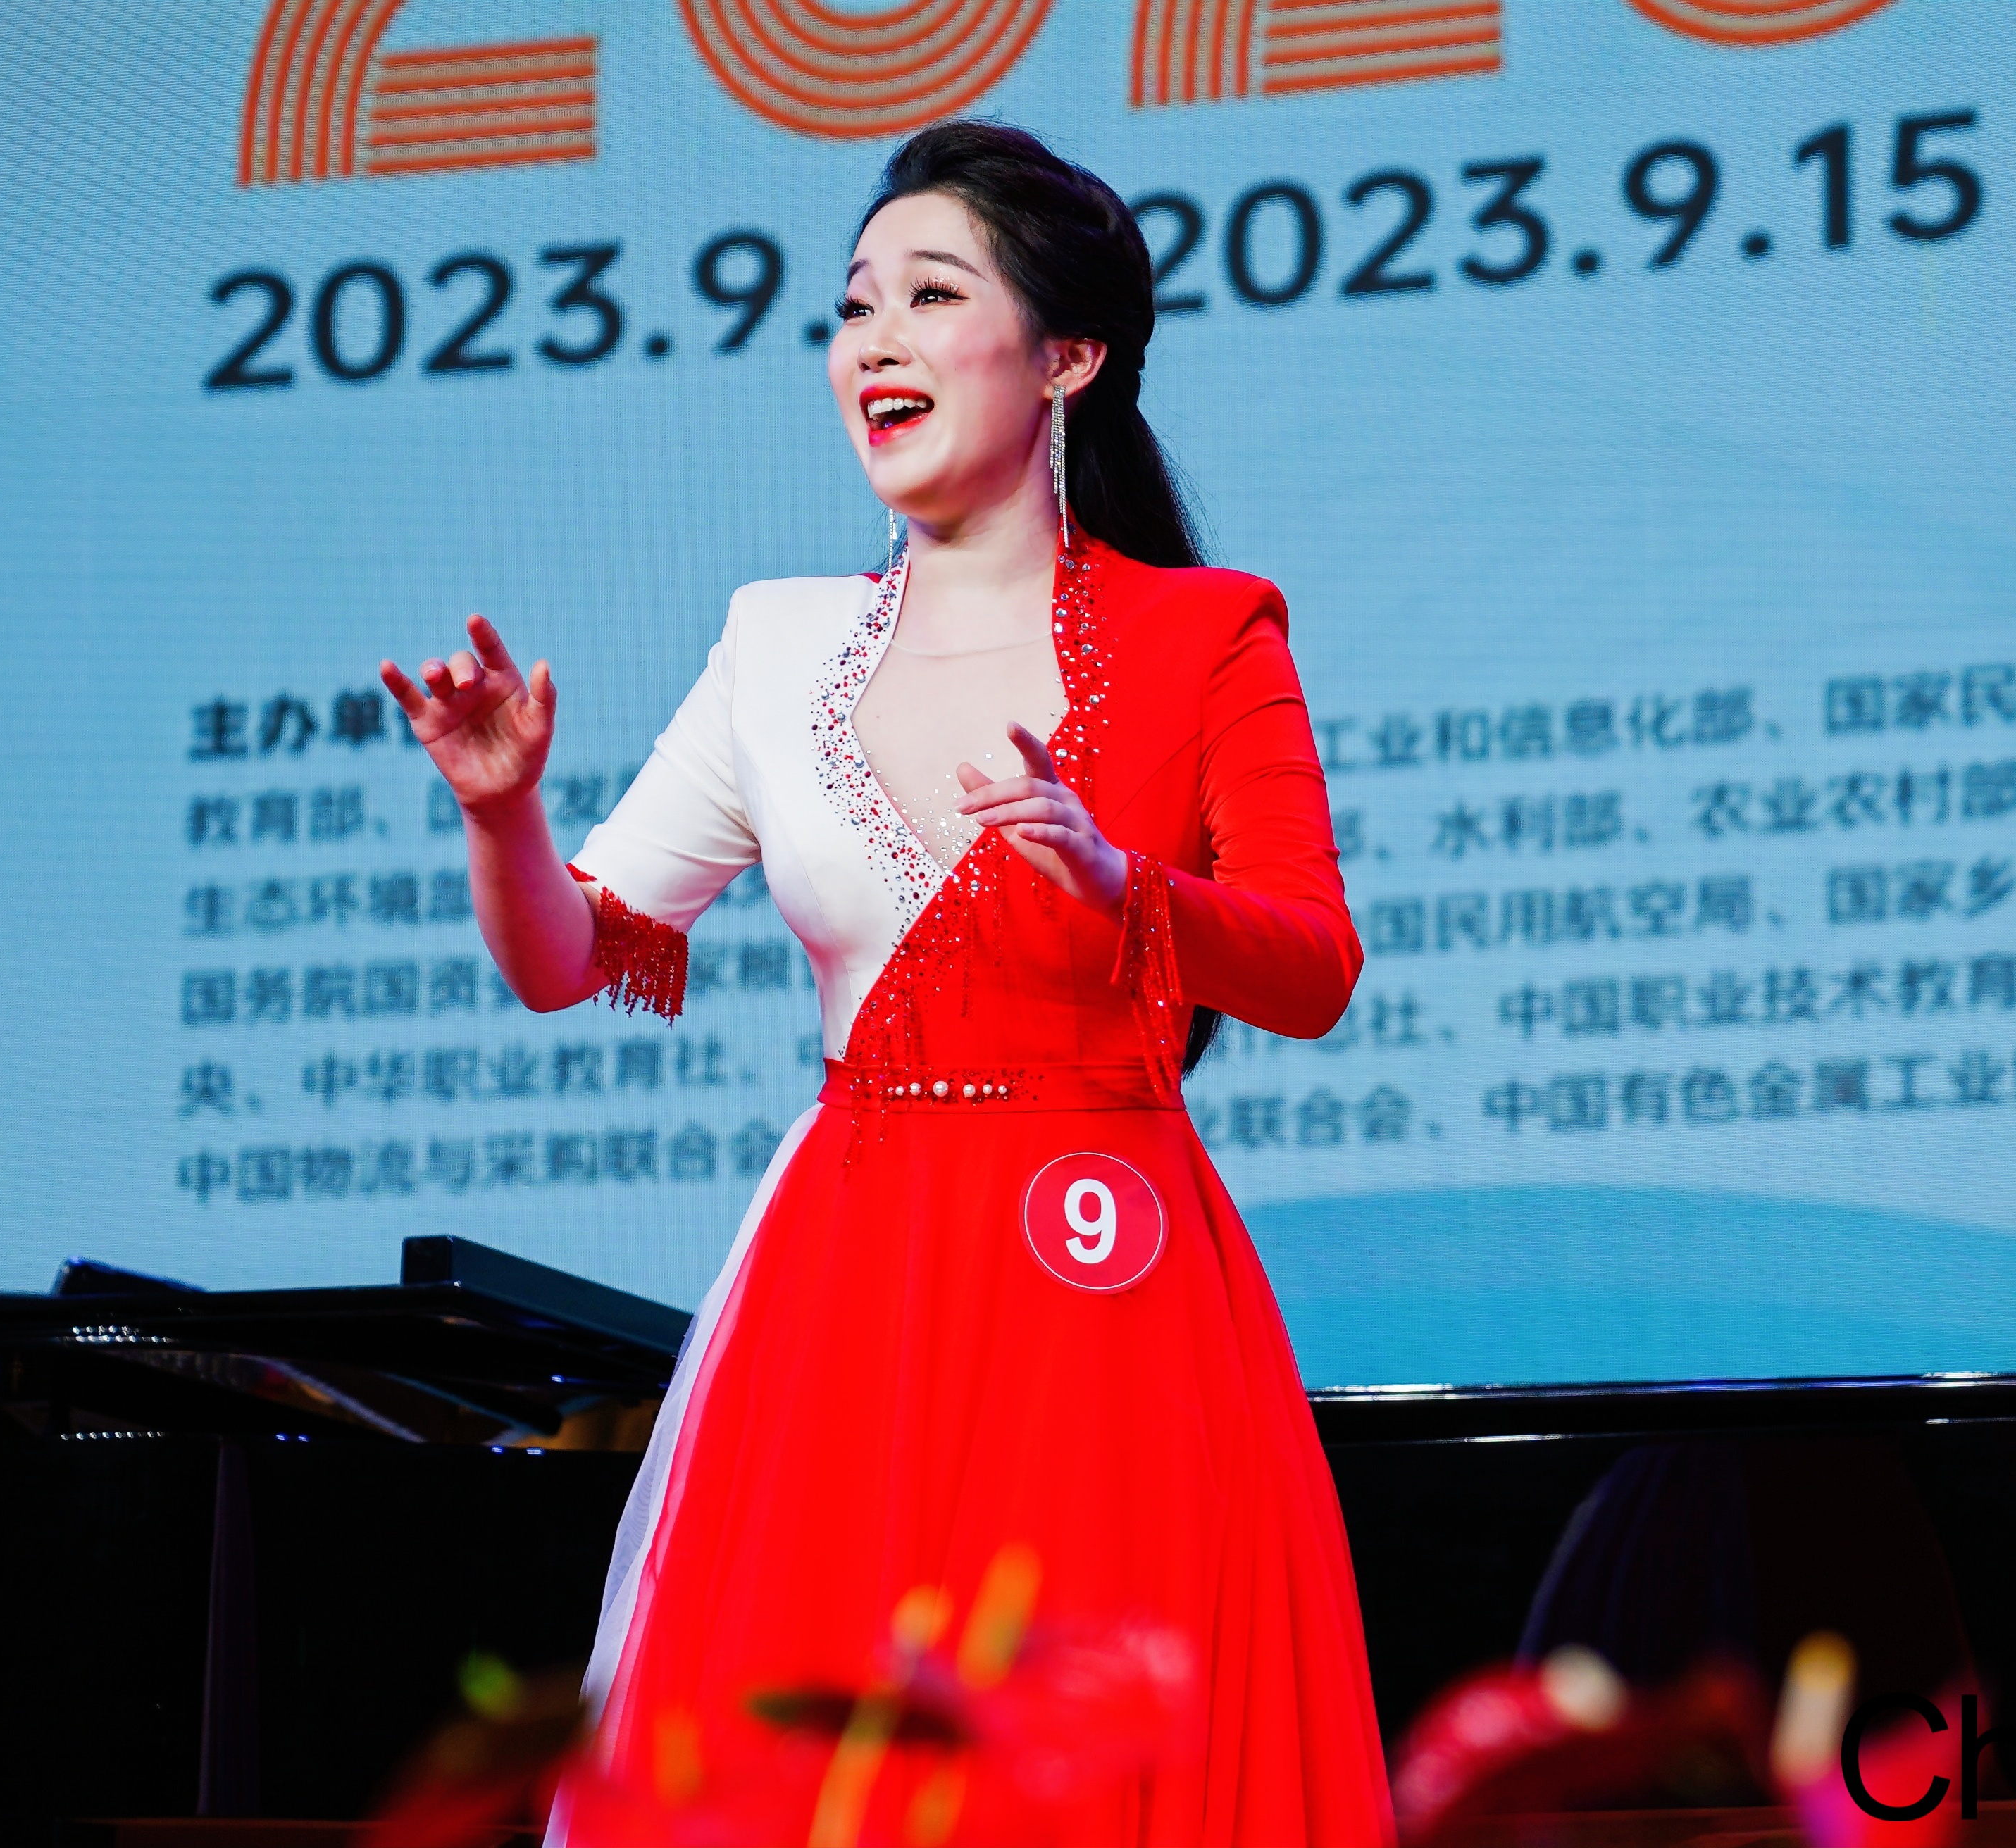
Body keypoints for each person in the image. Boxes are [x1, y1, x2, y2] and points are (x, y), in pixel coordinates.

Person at [381, 120, 1392, 1847]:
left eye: (933, 295)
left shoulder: (1209, 632)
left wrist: (1128, 889)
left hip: (1109, 1285)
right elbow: (567, 956)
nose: (876, 341)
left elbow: (1314, 966)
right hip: (852, 1286)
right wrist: (503, 815)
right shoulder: (776, 642)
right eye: (856, 306)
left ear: (1068, 357)